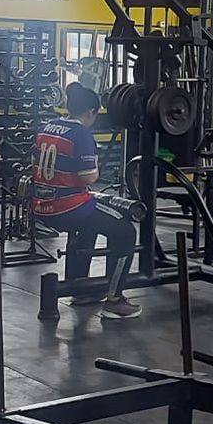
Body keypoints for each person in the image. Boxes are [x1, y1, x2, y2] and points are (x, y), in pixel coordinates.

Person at [31, 82, 140, 319]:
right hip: (69, 207)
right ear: (91, 112)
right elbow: (88, 176)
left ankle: (81, 289)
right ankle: (115, 300)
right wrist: (97, 166)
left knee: (91, 225)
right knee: (125, 230)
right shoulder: (81, 134)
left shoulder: (46, 127)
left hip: (41, 206)